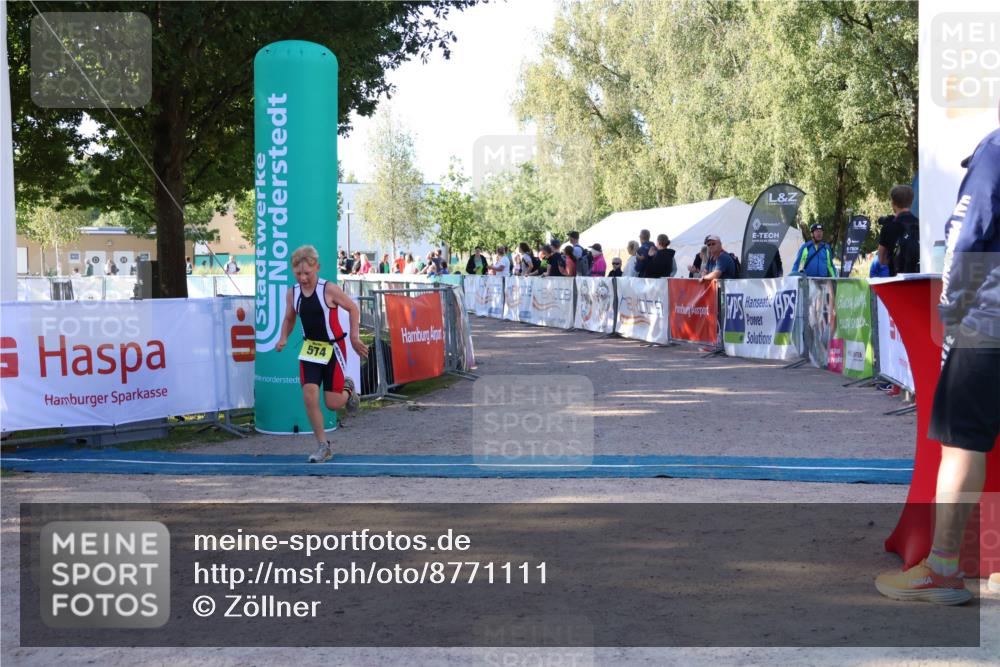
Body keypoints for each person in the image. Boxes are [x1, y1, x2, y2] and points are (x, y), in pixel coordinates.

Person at [874, 115, 1000, 605]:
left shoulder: (994, 150)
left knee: (960, 443)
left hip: (987, 321)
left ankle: (944, 568)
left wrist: (951, 312)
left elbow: (967, 236)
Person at [276, 245, 368, 463]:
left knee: (332, 403)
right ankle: (323, 446)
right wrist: (283, 337)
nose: (303, 278)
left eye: (307, 273)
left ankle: (348, 388)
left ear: (316, 267)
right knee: (309, 395)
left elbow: (353, 308)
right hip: (311, 350)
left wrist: (354, 337)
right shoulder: (293, 293)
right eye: (298, 273)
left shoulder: (329, 289)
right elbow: (289, 318)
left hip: (333, 348)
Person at [877, 185, 919, 276]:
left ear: (893, 203)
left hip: (897, 280)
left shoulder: (888, 225)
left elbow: (881, 260)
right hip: (919, 278)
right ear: (911, 202)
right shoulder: (919, 224)